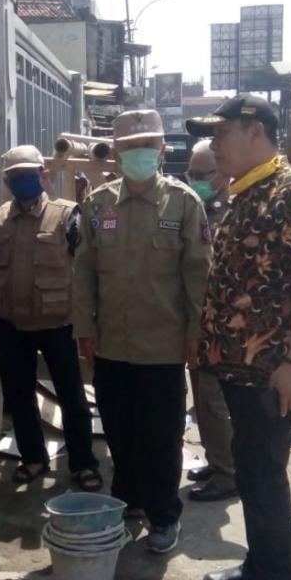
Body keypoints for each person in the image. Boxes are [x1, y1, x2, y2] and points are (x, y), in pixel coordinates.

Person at [186, 95, 291, 580]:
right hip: (238, 367)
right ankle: (261, 567)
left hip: (273, 370)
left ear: (255, 132)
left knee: (266, 476)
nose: (215, 147)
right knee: (250, 472)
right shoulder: (247, 193)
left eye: (222, 135)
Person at [73, 110, 212, 554]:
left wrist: (196, 334)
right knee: (118, 427)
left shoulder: (185, 203)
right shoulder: (98, 204)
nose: (138, 155)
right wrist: (84, 328)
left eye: (146, 147)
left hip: (164, 347)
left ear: (162, 151)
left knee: (162, 434)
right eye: (129, 148)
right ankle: (129, 499)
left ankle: (164, 515)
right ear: (116, 153)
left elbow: (198, 276)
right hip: (111, 342)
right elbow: (84, 272)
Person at [0, 145, 101, 489]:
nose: (23, 181)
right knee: (19, 398)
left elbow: (88, 264)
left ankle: (84, 464)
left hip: (58, 325)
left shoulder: (68, 215)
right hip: (11, 325)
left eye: (29, 174)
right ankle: (33, 458)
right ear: (7, 181)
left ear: (44, 175)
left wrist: (90, 321)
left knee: (72, 397)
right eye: (15, 176)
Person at [183, 140, 237, 503]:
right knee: (202, 398)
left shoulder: (231, 212)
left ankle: (228, 474)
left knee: (212, 399)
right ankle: (219, 461)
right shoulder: (198, 206)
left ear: (223, 174)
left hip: (222, 326)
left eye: (204, 175)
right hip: (199, 322)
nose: (197, 180)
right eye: (192, 174)